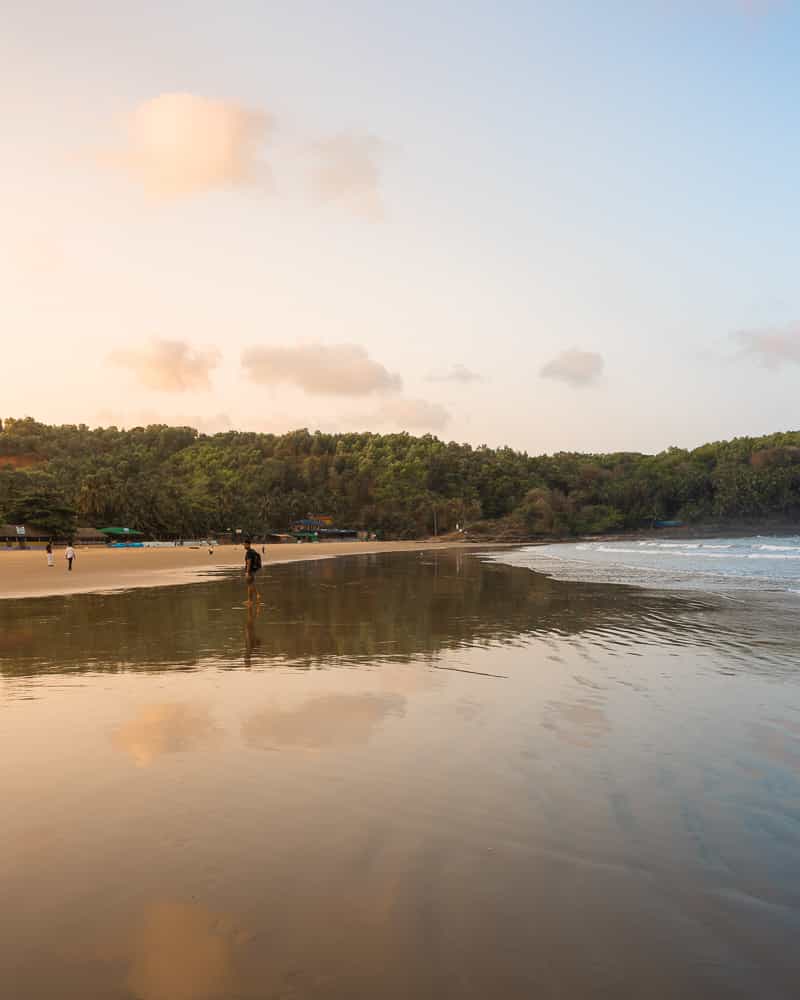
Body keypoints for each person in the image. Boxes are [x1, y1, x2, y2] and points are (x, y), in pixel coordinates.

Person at [243, 538, 262, 606]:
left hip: (250, 571)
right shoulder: (253, 551)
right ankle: (250, 600)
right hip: (253, 570)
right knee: (250, 585)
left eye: (244, 544)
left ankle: (257, 595)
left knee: (250, 585)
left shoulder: (249, 552)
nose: (244, 546)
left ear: (248, 544)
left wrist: (247, 572)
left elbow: (249, 562)